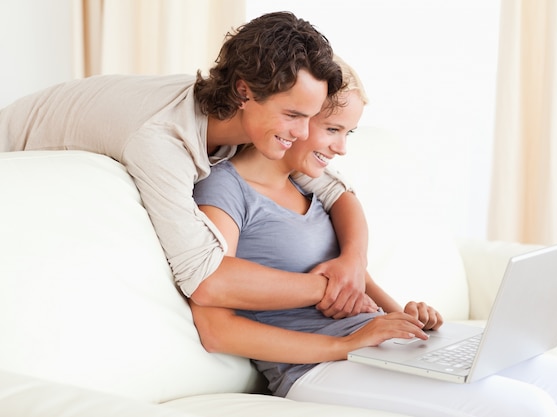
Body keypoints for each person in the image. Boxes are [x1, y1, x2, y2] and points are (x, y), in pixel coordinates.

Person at [190, 57, 557, 417]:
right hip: (315, 367)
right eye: (333, 129)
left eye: (348, 133)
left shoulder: (311, 189)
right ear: (299, 116)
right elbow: (216, 325)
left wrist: (400, 316)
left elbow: (350, 277)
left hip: (374, 348)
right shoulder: (227, 189)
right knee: (528, 407)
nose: (342, 147)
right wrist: (347, 345)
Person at [0, 12, 375, 318]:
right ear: (245, 91)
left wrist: (353, 261)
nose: (303, 131)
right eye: (293, 115)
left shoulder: (252, 121)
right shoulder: (162, 141)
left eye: (310, 118)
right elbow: (205, 279)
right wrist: (333, 287)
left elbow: (333, 188)